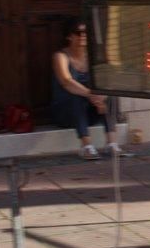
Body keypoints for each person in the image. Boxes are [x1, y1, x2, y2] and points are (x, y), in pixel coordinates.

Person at [51, 16, 126, 160]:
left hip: (91, 110)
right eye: (79, 33)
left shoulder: (93, 56)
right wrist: (91, 95)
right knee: (75, 95)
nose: (83, 36)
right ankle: (86, 146)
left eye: (86, 33)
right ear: (69, 36)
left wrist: (101, 97)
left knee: (111, 94)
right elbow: (67, 82)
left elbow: (107, 79)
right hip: (66, 113)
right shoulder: (60, 56)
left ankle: (112, 143)